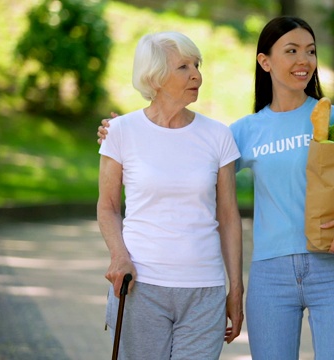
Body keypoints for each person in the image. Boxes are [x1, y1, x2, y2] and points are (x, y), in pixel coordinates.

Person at [98, 17, 334, 360]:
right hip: (270, 275)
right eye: (291, 51)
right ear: (265, 62)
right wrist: (125, 132)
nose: (303, 60)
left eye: (310, 51)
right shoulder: (242, 132)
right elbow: (185, 151)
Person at [96, 31, 243, 360]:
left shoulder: (218, 136)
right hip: (140, 286)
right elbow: (107, 206)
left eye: (197, 65)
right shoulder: (121, 132)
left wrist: (236, 287)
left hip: (205, 289)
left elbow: (230, 217)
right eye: (183, 67)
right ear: (155, 76)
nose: (196, 75)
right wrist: (119, 255)